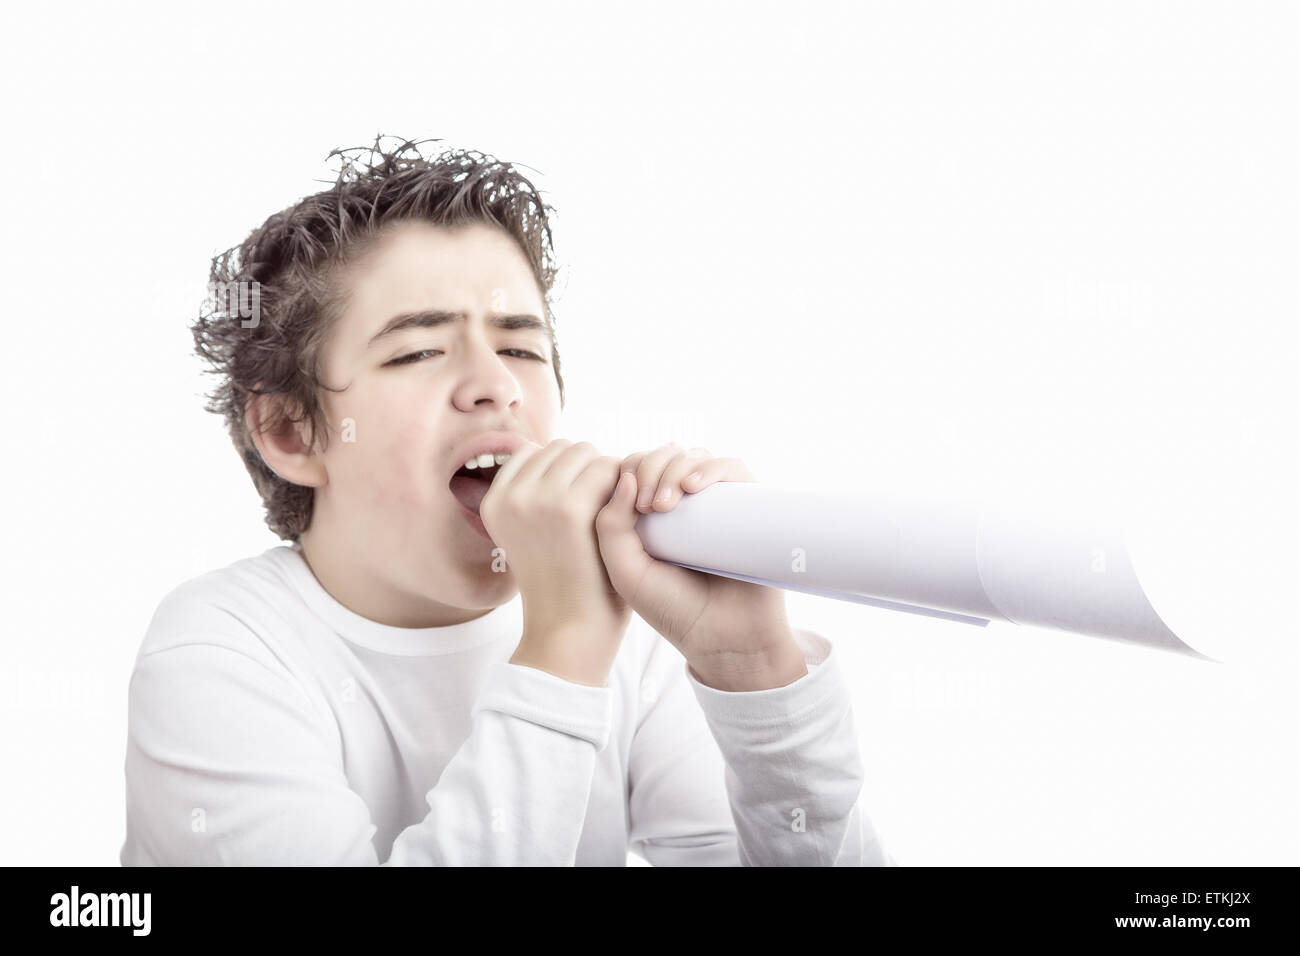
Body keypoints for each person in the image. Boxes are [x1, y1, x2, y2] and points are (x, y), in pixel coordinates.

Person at [119, 135, 897, 866]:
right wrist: (564, 647)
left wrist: (751, 668)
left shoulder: (640, 641)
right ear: (291, 432)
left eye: (522, 348)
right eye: (419, 350)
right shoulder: (218, 651)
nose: (497, 384)